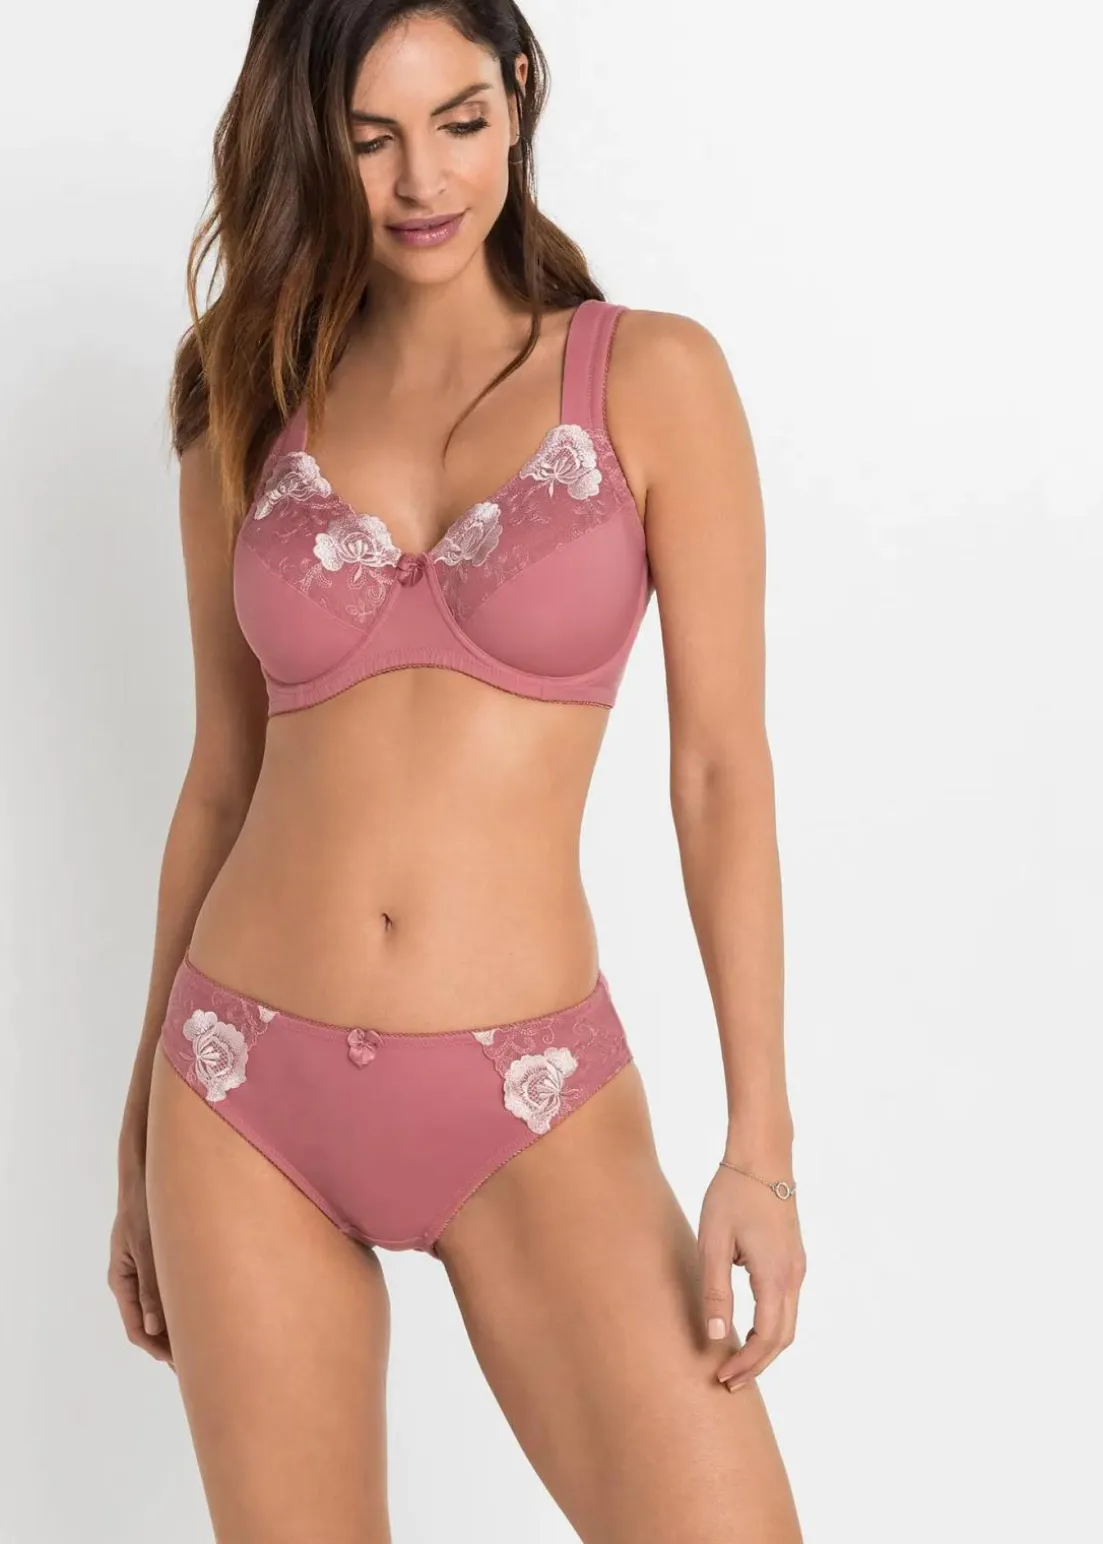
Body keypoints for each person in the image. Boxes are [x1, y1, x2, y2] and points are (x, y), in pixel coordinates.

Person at [108, 2, 807, 1539]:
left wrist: (757, 1150)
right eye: (367, 140)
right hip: (237, 1087)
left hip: (530, 1093)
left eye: (460, 122)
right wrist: (133, 1135)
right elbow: (220, 779)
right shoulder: (244, 391)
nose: (422, 180)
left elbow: (718, 774)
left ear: (520, 91)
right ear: (307, 142)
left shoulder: (650, 377)